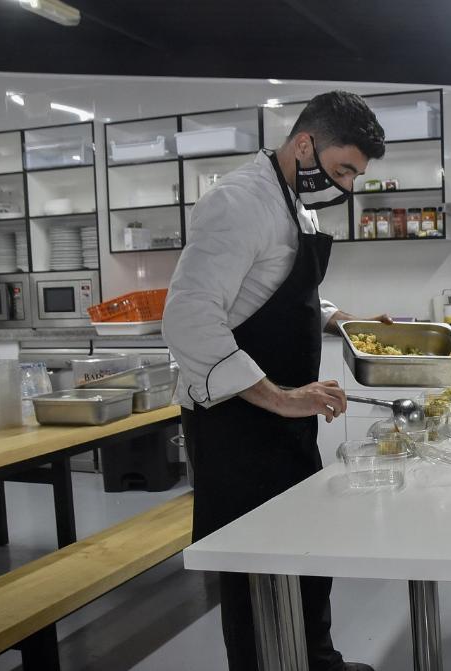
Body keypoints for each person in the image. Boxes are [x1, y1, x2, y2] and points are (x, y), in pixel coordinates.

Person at [163, 90, 388, 671]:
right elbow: (190, 319)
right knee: (250, 565)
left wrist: (343, 319)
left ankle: (316, 659)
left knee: (306, 545)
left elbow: (277, 291)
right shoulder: (237, 202)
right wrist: (281, 398)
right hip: (236, 423)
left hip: (287, 416)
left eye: (355, 177)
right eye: (343, 170)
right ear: (305, 144)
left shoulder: (293, 202)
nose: (346, 187)